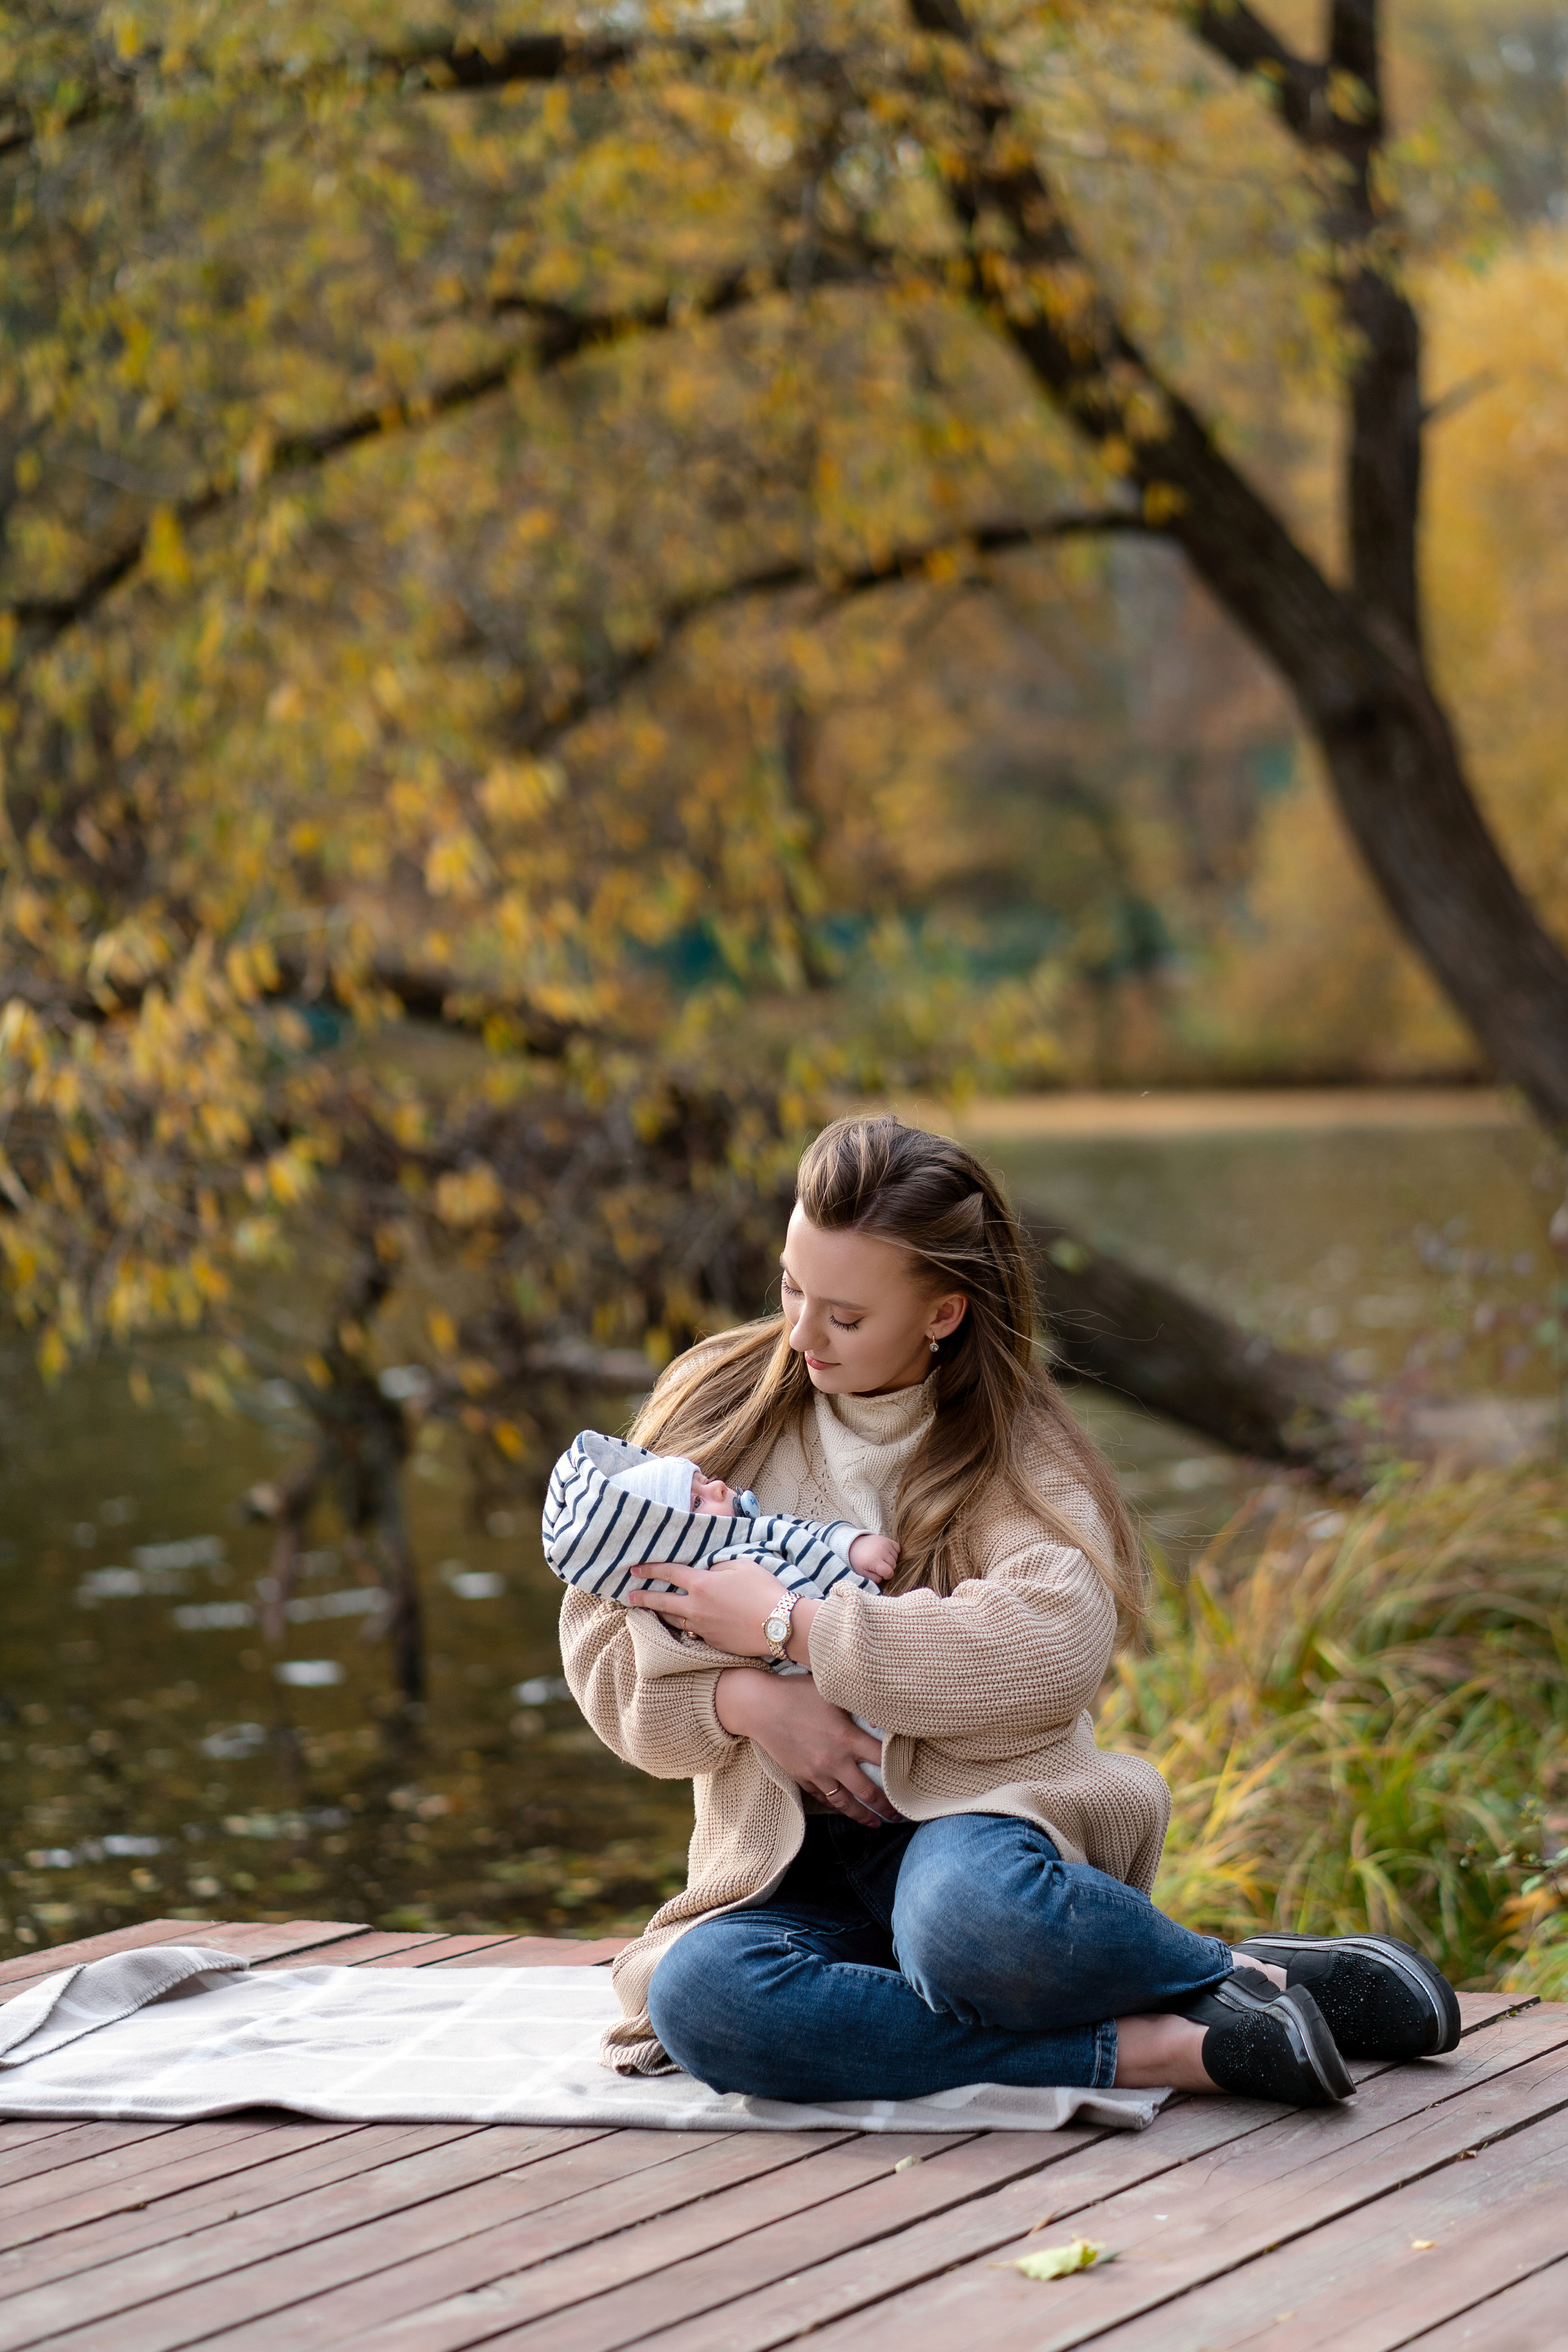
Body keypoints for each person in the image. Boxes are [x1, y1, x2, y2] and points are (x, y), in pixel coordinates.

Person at [557, 1114, 1460, 2108]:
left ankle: (1226, 1971)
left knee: (972, 1929)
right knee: (704, 2000)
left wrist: (795, 1628)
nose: (803, 1334)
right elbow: (597, 1639)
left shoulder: (1013, 1443)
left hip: (972, 1833)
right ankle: (1172, 2040)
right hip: (784, 1881)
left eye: (845, 1316)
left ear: (942, 1313)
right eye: (791, 1287)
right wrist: (745, 1703)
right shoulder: (714, 1407)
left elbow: (1052, 1646)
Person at [541, 1428, 895, 1780]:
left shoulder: (753, 1530)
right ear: (675, 1541)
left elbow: (799, 1531)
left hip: (879, 1659)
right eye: (697, 1502)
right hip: (824, 1703)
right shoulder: (687, 1599)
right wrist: (748, 1701)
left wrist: (850, 1545)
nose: (720, 1487)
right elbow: (618, 1683)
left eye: (705, 1480)